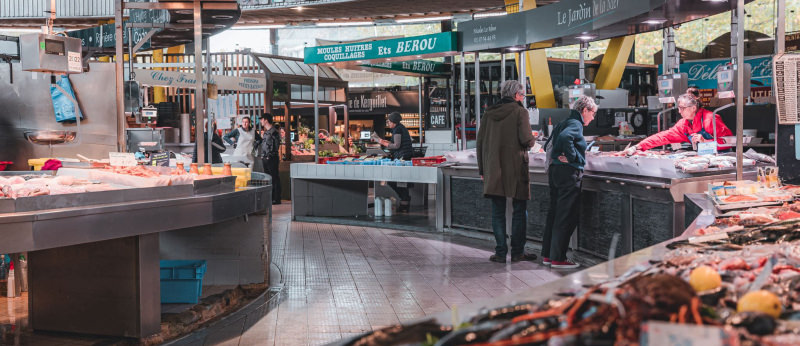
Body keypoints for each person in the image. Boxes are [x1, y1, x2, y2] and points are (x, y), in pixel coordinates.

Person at [476, 80, 537, 264]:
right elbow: (527, 140)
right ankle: (518, 252)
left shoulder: (488, 113)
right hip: (516, 168)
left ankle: (500, 252)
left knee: (497, 212)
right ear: (516, 95)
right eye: (523, 95)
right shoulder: (520, 112)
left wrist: (482, 169)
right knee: (519, 209)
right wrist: (533, 140)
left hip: (493, 168)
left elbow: (480, 143)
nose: (523, 98)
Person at [542, 95, 597, 269]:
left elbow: (547, 145)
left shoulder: (563, 122)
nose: (593, 117)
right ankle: (559, 258)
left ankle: (548, 256)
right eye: (593, 113)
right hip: (568, 174)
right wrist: (573, 158)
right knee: (565, 215)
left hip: (555, 172)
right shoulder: (575, 124)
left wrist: (561, 155)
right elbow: (566, 138)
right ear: (585, 110)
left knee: (555, 213)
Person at [624, 93, 733, 154]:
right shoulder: (684, 124)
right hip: (704, 159)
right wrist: (638, 146)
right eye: (678, 108)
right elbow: (664, 137)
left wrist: (705, 141)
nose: (679, 111)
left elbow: (728, 142)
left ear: (693, 108)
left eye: (682, 108)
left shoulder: (710, 119)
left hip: (723, 158)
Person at [374, 111, 414, 212]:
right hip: (403, 157)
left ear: (394, 122)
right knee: (399, 181)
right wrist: (382, 141)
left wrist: (382, 142)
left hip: (402, 158)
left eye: (389, 121)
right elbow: (394, 143)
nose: (388, 123)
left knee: (393, 180)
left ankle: (405, 200)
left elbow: (396, 145)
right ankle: (404, 201)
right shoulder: (400, 128)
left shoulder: (398, 130)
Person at [258, 113, 282, 205]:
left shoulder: (274, 132)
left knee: (274, 178)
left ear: (266, 120)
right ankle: (271, 198)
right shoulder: (266, 132)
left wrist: (269, 156)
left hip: (271, 159)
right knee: (268, 178)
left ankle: (276, 198)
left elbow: (276, 146)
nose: (261, 121)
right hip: (265, 158)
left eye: (261, 119)